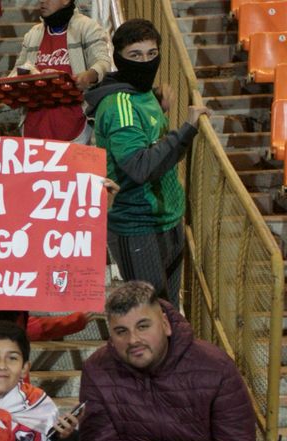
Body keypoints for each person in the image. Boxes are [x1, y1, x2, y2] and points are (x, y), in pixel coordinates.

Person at [79, 281, 256, 441]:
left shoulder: (215, 367)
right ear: (110, 335)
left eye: (143, 326)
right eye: (121, 331)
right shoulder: (96, 369)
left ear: (165, 324)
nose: (133, 340)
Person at [85, 19, 208, 307]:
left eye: (152, 54)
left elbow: (143, 133)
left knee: (169, 312)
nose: (145, 62)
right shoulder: (119, 106)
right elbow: (141, 167)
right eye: (136, 55)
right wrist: (186, 128)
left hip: (167, 218)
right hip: (137, 225)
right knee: (151, 314)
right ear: (119, 58)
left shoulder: (141, 94)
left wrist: (155, 99)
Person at [11, 0, 110, 142]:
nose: (42, 1)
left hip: (76, 130)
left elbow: (103, 62)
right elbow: (17, 69)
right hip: (33, 129)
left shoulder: (88, 27)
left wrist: (90, 75)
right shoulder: (32, 34)